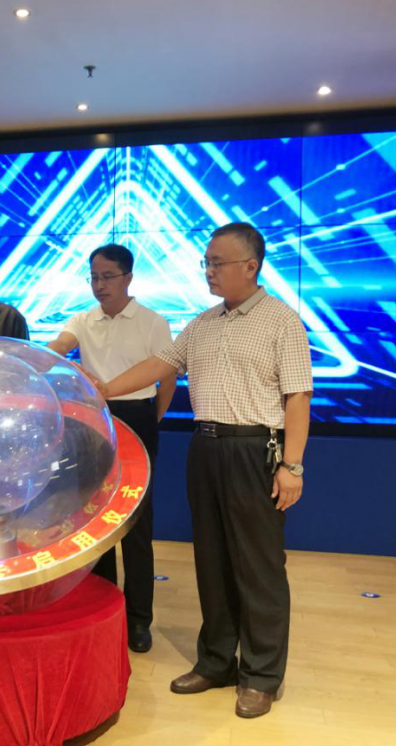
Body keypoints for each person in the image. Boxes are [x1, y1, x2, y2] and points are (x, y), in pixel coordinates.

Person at [98, 222, 312, 719]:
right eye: (207, 262)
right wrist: (103, 390)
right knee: (211, 562)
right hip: (206, 448)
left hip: (255, 449)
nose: (209, 271)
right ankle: (217, 661)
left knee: (258, 567)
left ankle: (261, 675)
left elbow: (298, 397)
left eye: (218, 263)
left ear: (250, 267)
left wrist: (292, 466)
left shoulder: (282, 321)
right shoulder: (203, 323)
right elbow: (160, 364)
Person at [47, 244, 174, 653]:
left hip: (138, 417)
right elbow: (59, 345)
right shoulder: (83, 319)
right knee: (95, 517)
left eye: (108, 277)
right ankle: (102, 610)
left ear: (128, 278)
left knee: (136, 525)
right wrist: (55, 358)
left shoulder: (153, 322)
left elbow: (166, 377)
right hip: (94, 422)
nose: (99, 285)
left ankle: (138, 620)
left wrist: (151, 420)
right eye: (94, 277)